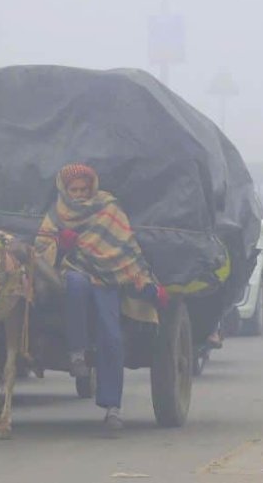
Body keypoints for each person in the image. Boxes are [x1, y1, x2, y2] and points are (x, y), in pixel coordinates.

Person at [35, 163, 167, 430]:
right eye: (74, 189)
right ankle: (77, 354)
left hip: (108, 280)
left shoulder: (109, 208)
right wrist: (61, 247)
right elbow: (40, 252)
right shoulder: (56, 214)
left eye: (84, 189)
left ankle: (112, 408)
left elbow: (125, 248)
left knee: (113, 336)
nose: (80, 194)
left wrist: (144, 282)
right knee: (75, 284)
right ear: (65, 189)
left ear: (93, 187)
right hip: (72, 273)